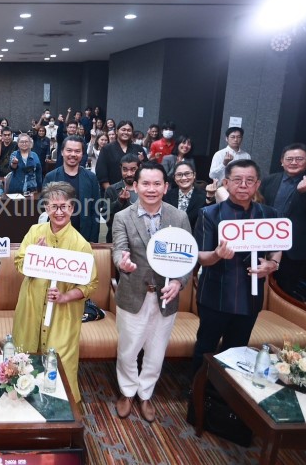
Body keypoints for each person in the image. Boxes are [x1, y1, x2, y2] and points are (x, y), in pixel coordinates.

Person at [112, 162, 192, 423]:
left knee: (156, 352)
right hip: (133, 293)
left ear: (166, 187)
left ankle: (145, 394)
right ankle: (127, 392)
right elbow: (119, 250)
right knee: (128, 350)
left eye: (157, 184)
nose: (151, 189)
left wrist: (179, 282)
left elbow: (188, 259)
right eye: (145, 183)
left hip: (166, 296)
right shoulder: (123, 217)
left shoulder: (179, 218)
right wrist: (122, 264)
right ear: (135, 186)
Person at [192, 159, 281, 378]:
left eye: (249, 180)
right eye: (237, 180)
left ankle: (227, 392)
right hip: (215, 294)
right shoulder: (209, 214)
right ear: (226, 183)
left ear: (257, 184)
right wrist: (217, 254)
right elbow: (201, 257)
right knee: (205, 347)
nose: (243, 185)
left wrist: (272, 264)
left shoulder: (269, 214)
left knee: (238, 350)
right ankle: (198, 388)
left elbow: (277, 248)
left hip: (250, 295)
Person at [12, 181, 97, 403]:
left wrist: (65, 296)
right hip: (31, 308)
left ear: (72, 208)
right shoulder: (35, 232)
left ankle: (60, 409)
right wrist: (35, 256)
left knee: (59, 362)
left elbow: (90, 285)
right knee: (24, 357)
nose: (59, 212)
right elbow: (18, 262)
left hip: (63, 314)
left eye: (64, 206)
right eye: (53, 206)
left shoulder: (81, 244)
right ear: (46, 208)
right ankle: (23, 401)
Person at [259, 143, 306, 298]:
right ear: (281, 161)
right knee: (260, 285)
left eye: (299, 159)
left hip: (294, 249)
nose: (294, 162)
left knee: (285, 292)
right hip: (265, 242)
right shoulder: (269, 180)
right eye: (289, 159)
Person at [42, 137, 102, 242]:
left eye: (77, 151)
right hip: (57, 235)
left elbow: (95, 210)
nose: (73, 154)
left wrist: (93, 239)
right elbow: (43, 206)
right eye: (69, 150)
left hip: (84, 235)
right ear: (62, 152)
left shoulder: (91, 178)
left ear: (82, 154)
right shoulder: (51, 177)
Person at [95, 120, 147, 188]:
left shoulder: (138, 149)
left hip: (135, 190)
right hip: (112, 189)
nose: (126, 132)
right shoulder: (107, 149)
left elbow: (146, 169)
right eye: (123, 130)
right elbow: (101, 173)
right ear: (117, 131)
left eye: (129, 130)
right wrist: (111, 191)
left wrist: (142, 161)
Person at [104, 154, 141, 242]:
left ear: (139, 168)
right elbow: (106, 215)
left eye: (133, 169)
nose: (129, 174)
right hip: (117, 238)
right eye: (125, 170)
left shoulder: (145, 189)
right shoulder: (112, 190)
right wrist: (119, 202)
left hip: (140, 238)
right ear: (120, 169)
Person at [163, 161, 207, 229]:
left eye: (187, 174)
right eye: (179, 174)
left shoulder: (204, 197)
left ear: (194, 175)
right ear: (174, 178)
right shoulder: (167, 196)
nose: (184, 178)